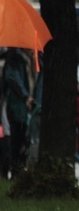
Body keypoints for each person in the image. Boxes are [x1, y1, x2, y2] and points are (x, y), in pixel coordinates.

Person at [2, 48, 41, 178]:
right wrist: (25, 97)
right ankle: (16, 172)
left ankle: (19, 171)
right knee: (17, 141)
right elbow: (14, 80)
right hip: (18, 108)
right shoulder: (15, 60)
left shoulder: (34, 60)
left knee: (25, 141)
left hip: (29, 108)